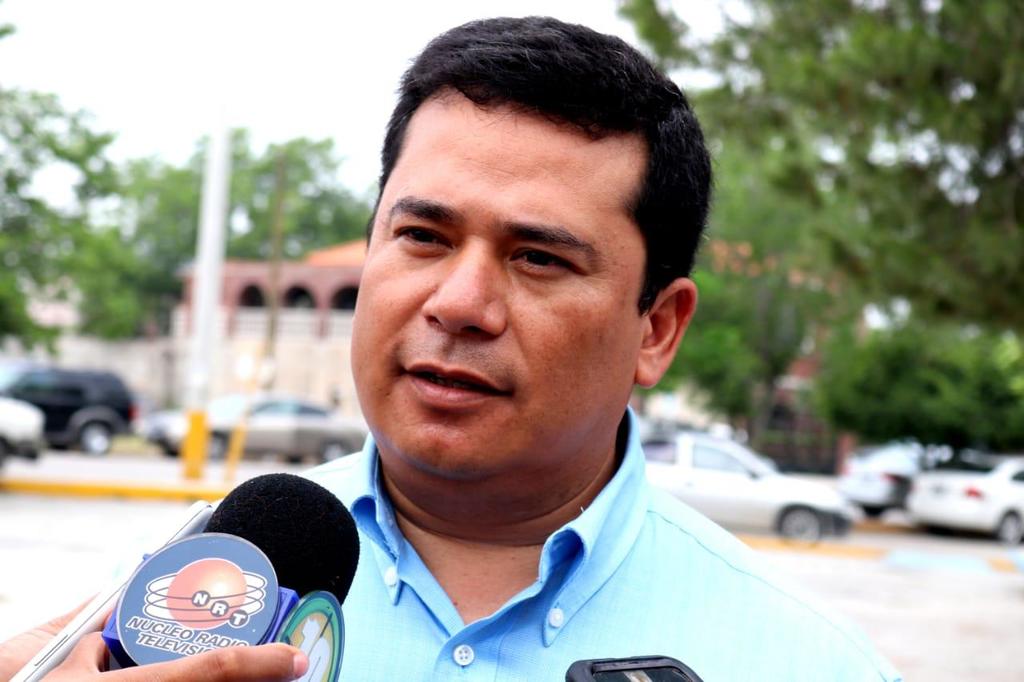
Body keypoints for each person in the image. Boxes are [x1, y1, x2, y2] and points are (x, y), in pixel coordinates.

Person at [2, 16, 901, 682]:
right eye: (423, 237)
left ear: (657, 328)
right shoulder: (170, 596)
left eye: (539, 258)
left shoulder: (806, 662)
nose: (459, 303)